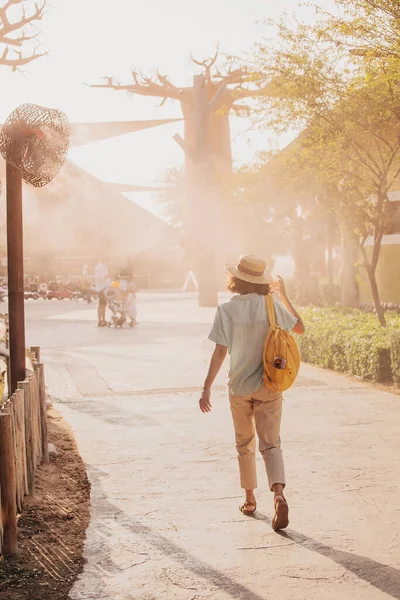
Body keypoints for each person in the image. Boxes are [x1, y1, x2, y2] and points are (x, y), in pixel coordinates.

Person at [199, 254, 305, 531]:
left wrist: (206, 387)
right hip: (269, 384)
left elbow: (220, 351)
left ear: (236, 280)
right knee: (271, 444)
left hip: (239, 387)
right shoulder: (269, 305)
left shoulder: (226, 310)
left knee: (244, 444)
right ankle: (279, 495)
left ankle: (249, 500)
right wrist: (283, 295)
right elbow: (300, 328)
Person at [94, 258, 109, 326]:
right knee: (101, 305)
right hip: (101, 288)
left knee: (104, 305)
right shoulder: (99, 267)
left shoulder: (103, 266)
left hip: (104, 288)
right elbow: (100, 277)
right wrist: (106, 276)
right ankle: (100, 320)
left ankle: (103, 319)